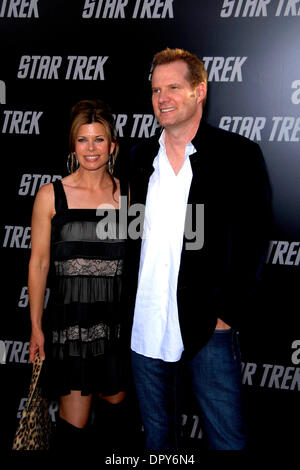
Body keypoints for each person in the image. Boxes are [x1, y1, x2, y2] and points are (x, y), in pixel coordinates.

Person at [127, 48, 272, 451]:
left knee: (227, 441)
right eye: (156, 90)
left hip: (209, 328)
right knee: (158, 442)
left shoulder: (237, 156)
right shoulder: (139, 159)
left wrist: (226, 313)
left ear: (200, 91)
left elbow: (254, 241)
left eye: (173, 87)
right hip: (145, 327)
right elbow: (128, 237)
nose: (162, 98)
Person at [28, 99, 128, 453]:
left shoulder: (128, 197)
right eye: (83, 140)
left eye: (99, 140)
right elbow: (39, 263)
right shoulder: (51, 196)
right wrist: (36, 325)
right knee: (74, 431)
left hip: (116, 326)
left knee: (117, 428)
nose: (91, 149)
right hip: (70, 326)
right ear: (73, 146)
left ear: (112, 146)